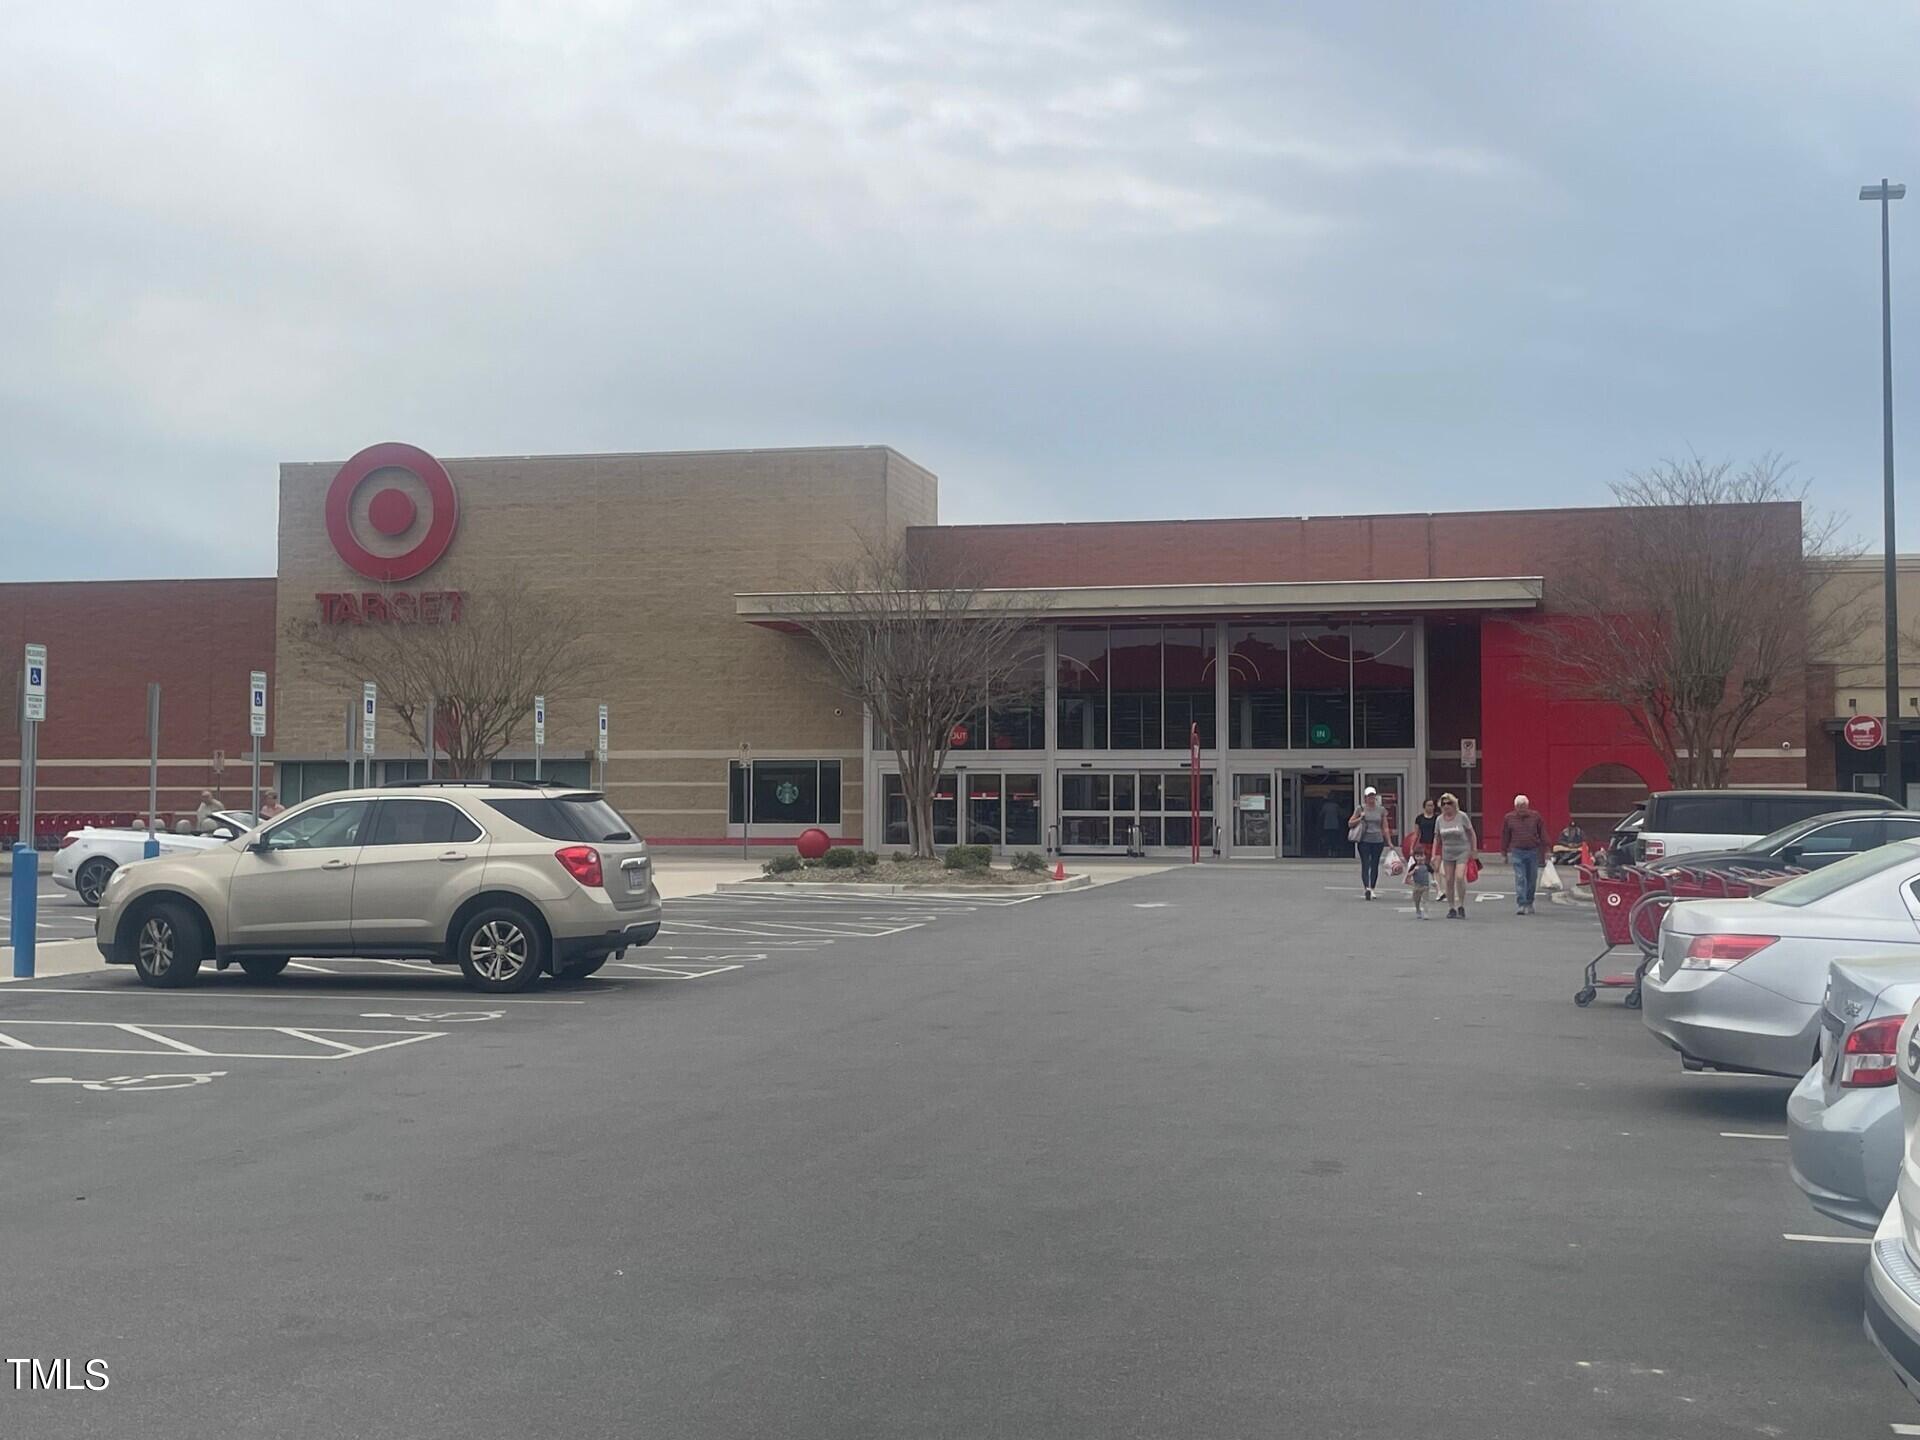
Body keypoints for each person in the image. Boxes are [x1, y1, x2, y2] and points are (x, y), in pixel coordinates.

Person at [1501, 792, 1549, 916]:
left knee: (1532, 879)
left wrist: (1547, 848)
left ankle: (1529, 902)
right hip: (1517, 851)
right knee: (1520, 878)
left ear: (1527, 806)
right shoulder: (1509, 818)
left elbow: (1542, 832)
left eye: (1523, 805)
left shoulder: (1536, 816)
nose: (1521, 808)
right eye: (1519, 805)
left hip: (1533, 851)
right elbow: (1505, 835)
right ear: (1515, 806)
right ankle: (1521, 904)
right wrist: (1504, 852)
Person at [1433, 792, 1478, 919]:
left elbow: (1471, 832)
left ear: (1454, 804)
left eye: (1449, 803)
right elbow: (1436, 838)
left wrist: (1474, 849)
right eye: (1443, 804)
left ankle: (1461, 905)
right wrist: (1434, 855)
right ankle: (1451, 907)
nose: (1446, 806)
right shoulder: (1439, 819)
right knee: (1448, 880)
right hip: (1447, 852)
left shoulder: (1461, 816)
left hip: (1462, 850)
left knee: (1459, 877)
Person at [1348, 786, 1392, 899]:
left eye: (1373, 796)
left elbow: (1385, 826)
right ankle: (1366, 887)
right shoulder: (1360, 809)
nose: (1371, 798)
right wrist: (1360, 818)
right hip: (1364, 840)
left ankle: (1372, 888)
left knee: (1374, 864)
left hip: (1377, 840)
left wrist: (1389, 842)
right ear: (1365, 798)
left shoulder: (1381, 810)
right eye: (1369, 796)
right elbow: (1350, 823)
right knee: (1366, 864)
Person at [1406, 850, 1434, 918]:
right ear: (1415, 857)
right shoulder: (1413, 866)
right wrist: (1413, 871)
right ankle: (1418, 910)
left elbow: (1432, 872)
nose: (1419, 858)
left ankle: (1426, 913)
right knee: (1417, 899)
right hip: (1416, 886)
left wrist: (1433, 880)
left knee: (1425, 900)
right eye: (1417, 856)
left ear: (1425, 856)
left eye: (1421, 856)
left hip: (1425, 886)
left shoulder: (1427, 865)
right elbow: (1408, 875)